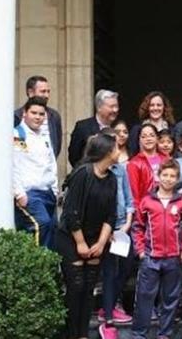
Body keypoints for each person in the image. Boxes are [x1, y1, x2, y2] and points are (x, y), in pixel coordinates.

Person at [56, 134, 119, 339]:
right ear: (107, 151)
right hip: (72, 237)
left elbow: (111, 213)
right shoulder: (82, 173)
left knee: (89, 288)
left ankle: (83, 334)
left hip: (96, 239)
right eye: (116, 147)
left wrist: (101, 242)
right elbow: (71, 211)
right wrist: (81, 243)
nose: (120, 151)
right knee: (75, 287)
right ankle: (71, 333)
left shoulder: (111, 178)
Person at [132, 160, 182, 339]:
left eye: (173, 176)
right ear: (158, 176)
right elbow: (137, 227)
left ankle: (165, 334)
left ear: (178, 178)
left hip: (174, 257)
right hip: (151, 257)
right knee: (144, 298)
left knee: (170, 299)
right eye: (165, 175)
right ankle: (139, 334)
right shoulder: (147, 201)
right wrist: (140, 250)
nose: (168, 179)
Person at [97, 122, 135, 337]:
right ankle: (109, 315)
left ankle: (109, 303)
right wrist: (108, 229)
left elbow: (129, 198)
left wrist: (128, 221)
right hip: (106, 229)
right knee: (109, 269)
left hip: (123, 225)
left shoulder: (121, 169)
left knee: (129, 262)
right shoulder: (96, 171)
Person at [12, 96, 59, 249]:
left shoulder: (44, 136)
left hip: (47, 193)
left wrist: (55, 189)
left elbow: (51, 163)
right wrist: (19, 193)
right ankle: (39, 270)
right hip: (30, 194)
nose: (38, 117)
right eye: (34, 113)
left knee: (52, 229)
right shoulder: (18, 135)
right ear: (24, 113)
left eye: (41, 114)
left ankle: (50, 271)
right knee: (42, 224)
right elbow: (13, 165)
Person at [13, 76, 64, 159]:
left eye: (48, 92)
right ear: (30, 93)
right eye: (43, 91)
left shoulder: (54, 116)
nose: (46, 95)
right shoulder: (16, 116)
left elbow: (56, 145)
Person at [68, 89, 120, 167]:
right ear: (99, 107)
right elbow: (74, 156)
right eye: (111, 106)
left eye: (116, 106)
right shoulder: (83, 127)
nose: (115, 110)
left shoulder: (119, 128)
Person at [127, 123, 168, 209]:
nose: (148, 139)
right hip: (146, 209)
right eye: (144, 136)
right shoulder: (134, 163)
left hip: (167, 207)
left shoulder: (166, 159)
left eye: (152, 135)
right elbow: (134, 194)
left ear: (157, 138)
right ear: (139, 140)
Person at [127, 91, 176, 156]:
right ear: (147, 107)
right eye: (152, 105)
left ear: (164, 107)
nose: (155, 108)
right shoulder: (137, 129)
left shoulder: (172, 129)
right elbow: (132, 153)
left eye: (159, 105)